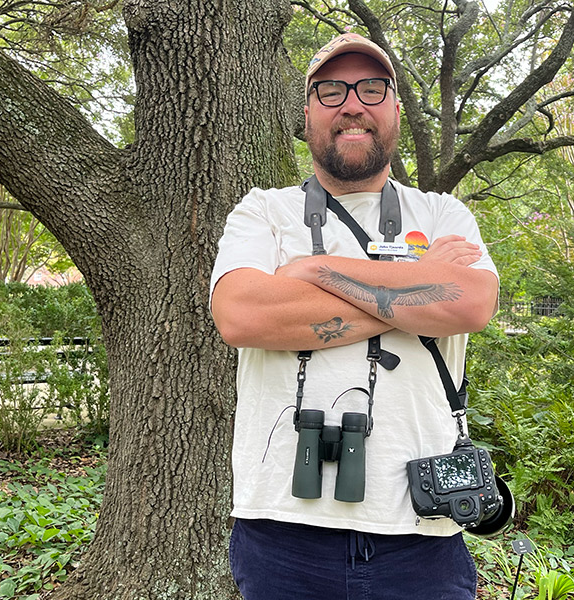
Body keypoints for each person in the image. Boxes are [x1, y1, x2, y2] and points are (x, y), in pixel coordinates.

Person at [210, 32, 499, 600]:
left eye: (372, 88)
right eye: (331, 90)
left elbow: (470, 303)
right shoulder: (263, 209)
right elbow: (241, 315)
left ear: (393, 107)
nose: (352, 104)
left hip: (421, 528)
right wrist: (417, 291)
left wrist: (310, 273)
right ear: (309, 111)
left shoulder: (444, 214)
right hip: (282, 529)